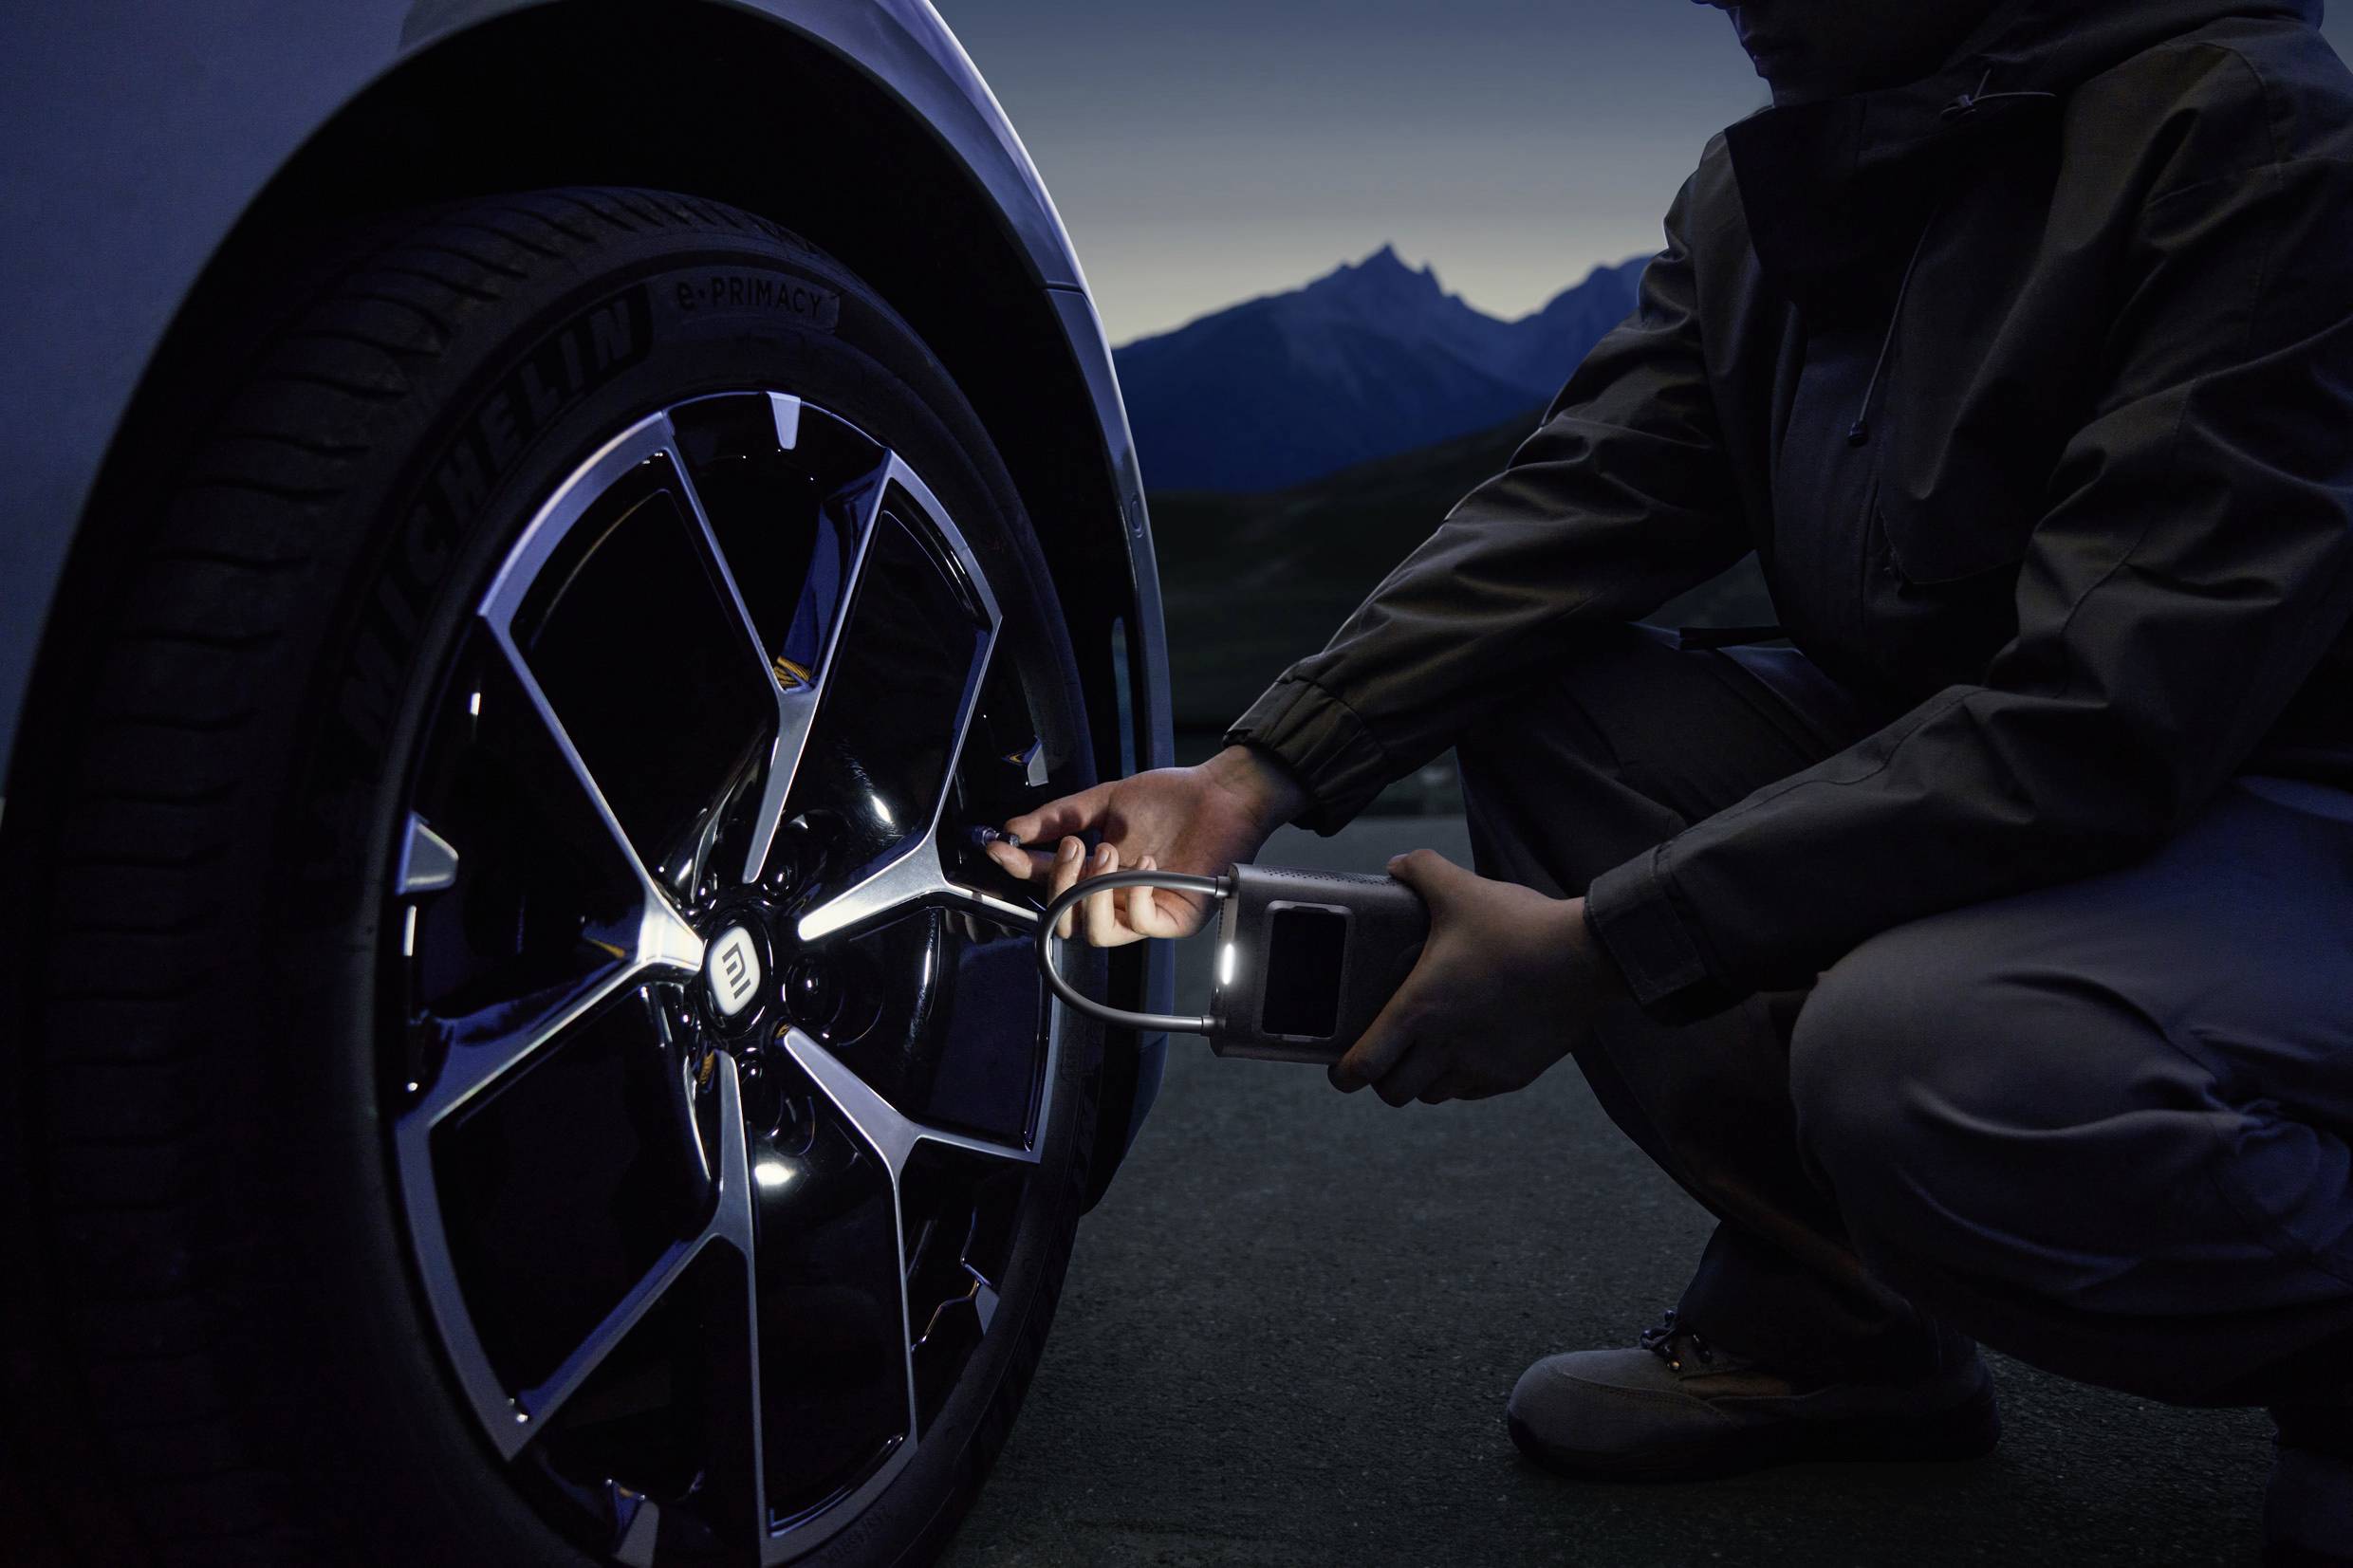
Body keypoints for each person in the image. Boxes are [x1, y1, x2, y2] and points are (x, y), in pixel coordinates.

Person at [989, 0, 2353, 1559]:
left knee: (1930, 1060)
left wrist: (1599, 943)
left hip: (2285, 809)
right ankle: (1841, 1315)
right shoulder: (1772, 187)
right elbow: (1581, 504)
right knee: (1542, 694)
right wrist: (1255, 771)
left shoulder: (2248, 131)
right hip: (2017, 786)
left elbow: (2108, 716)